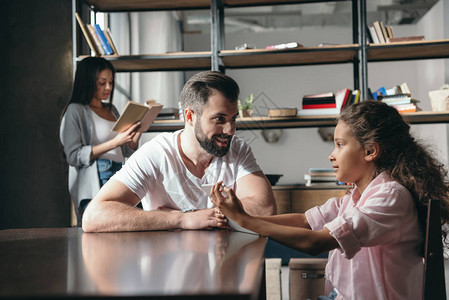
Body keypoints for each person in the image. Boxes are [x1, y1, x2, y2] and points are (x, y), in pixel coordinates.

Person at [211, 100, 449, 300]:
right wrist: (245, 218)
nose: (332, 155)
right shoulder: (357, 197)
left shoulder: (390, 197)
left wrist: (245, 221)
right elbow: (306, 221)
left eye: (340, 145)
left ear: (370, 151)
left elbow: (316, 242)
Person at [82, 71, 277, 233]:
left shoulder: (237, 150)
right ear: (190, 116)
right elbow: (94, 216)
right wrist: (182, 219)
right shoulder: (155, 154)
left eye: (233, 119)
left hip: (225, 264)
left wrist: (201, 216)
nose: (230, 130)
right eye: (220, 119)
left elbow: (266, 209)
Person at [60, 57, 142, 226]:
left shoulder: (111, 110)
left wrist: (134, 137)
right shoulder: (75, 111)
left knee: (129, 226)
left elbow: (126, 151)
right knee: (101, 230)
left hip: (120, 172)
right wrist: (115, 142)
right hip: (97, 176)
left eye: (111, 82)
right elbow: (73, 156)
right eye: (102, 82)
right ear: (88, 81)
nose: (108, 88)